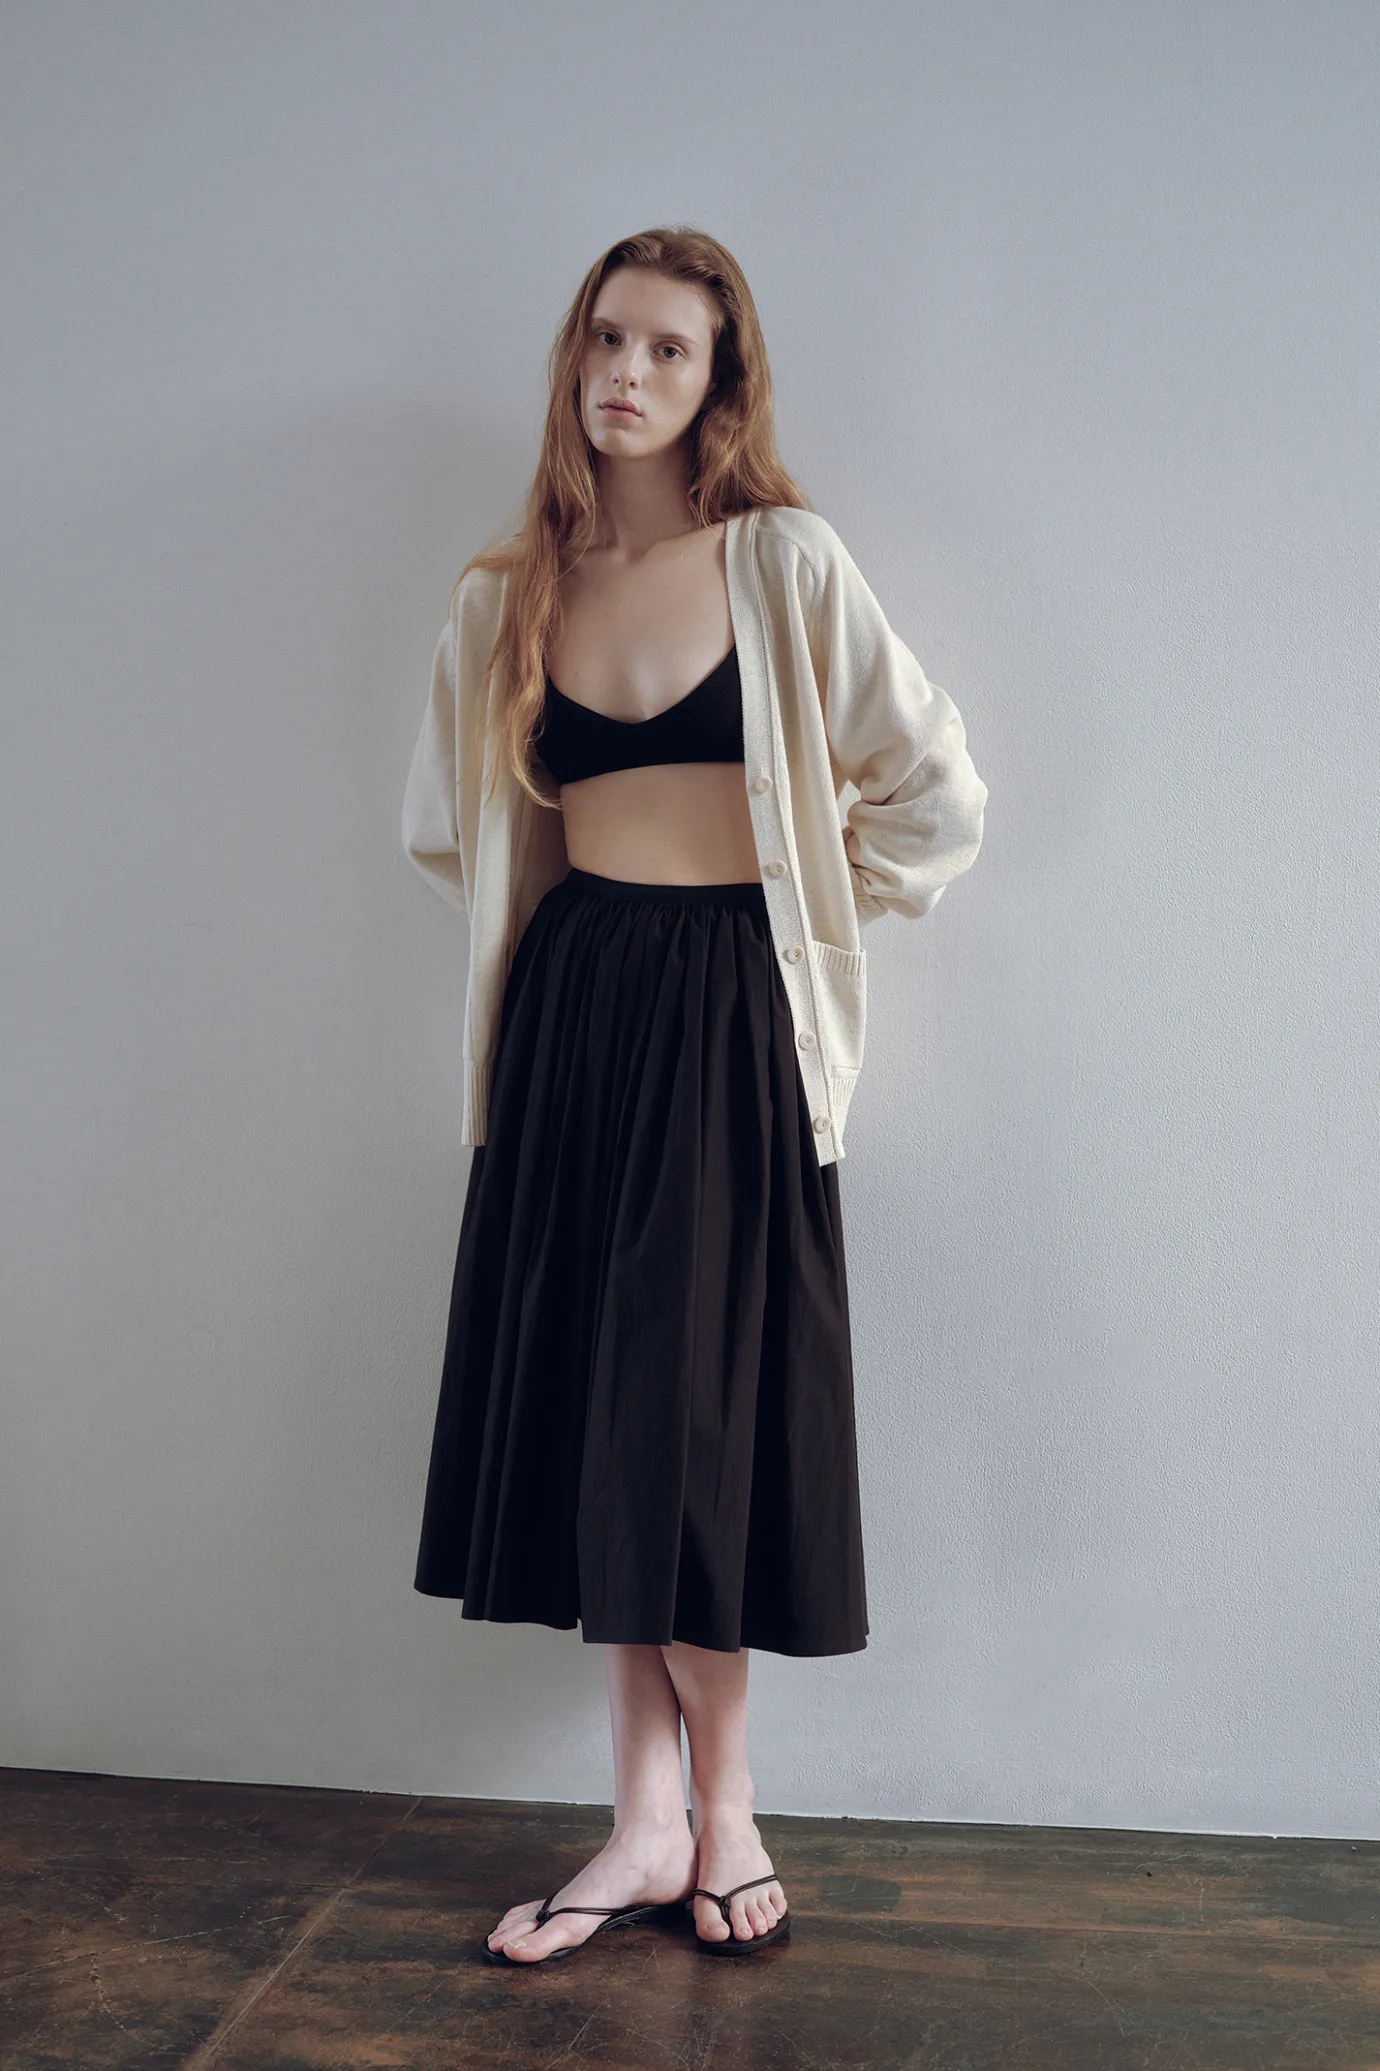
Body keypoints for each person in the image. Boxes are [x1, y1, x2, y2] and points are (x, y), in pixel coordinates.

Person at [400, 227, 988, 1967]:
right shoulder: (507, 593)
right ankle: (644, 1819)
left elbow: (935, 795)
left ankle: (725, 1807)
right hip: (573, 1013)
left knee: (693, 1415)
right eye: (607, 339)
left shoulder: (783, 562)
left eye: (669, 348)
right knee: (605, 1406)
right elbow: (449, 828)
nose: (628, 373)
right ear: (573, 359)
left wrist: (809, 904)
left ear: (722, 380)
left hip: (733, 1012)